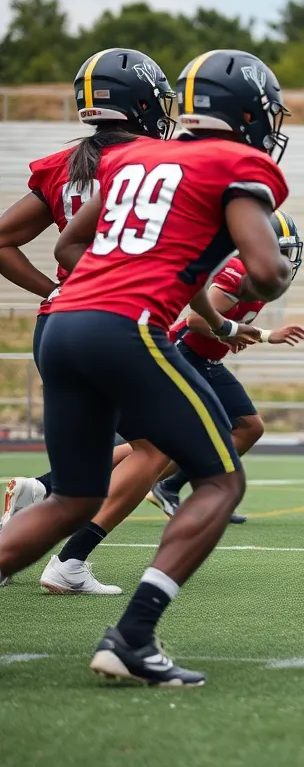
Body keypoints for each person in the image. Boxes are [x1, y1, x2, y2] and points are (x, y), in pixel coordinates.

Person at [0, 48, 294, 686]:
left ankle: (111, 611)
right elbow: (267, 273)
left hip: (59, 325)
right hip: (123, 328)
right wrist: (256, 286)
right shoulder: (240, 163)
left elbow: (68, 244)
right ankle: (133, 637)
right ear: (246, 112)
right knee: (220, 482)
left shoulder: (132, 156)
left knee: (75, 496)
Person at [0, 48, 178, 527]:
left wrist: (52, 292)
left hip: (57, 326)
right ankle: (72, 560)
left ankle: (27, 513)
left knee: (93, 459)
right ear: (141, 102)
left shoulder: (64, 163)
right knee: (158, 445)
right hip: (115, 324)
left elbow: (3, 240)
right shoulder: (150, 162)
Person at [147, 214, 304, 521]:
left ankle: (172, 486)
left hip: (207, 360)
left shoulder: (263, 277)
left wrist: (265, 335)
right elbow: (196, 320)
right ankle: (115, 484)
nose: (286, 260)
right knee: (189, 436)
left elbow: (233, 324)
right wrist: (235, 333)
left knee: (249, 427)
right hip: (184, 353)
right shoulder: (237, 271)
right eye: (281, 251)